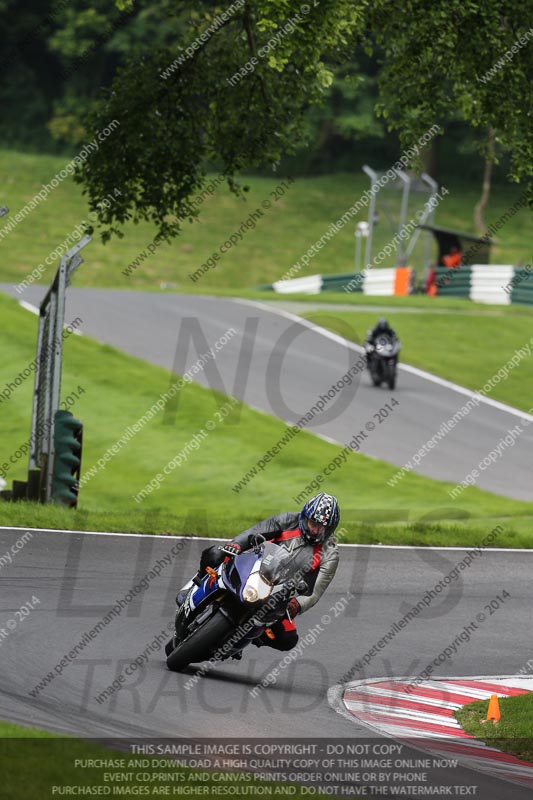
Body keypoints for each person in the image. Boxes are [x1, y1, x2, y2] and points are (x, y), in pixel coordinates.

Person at [176, 493, 340, 653]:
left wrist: (297, 605)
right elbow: (255, 531)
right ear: (305, 517)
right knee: (214, 554)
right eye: (313, 523)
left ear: (330, 529)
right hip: (254, 565)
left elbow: (315, 591)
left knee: (288, 639)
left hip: (280, 594)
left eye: (321, 527)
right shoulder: (289, 520)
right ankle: (195, 584)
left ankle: (253, 635)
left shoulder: (329, 554)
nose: (315, 530)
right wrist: (237, 545)